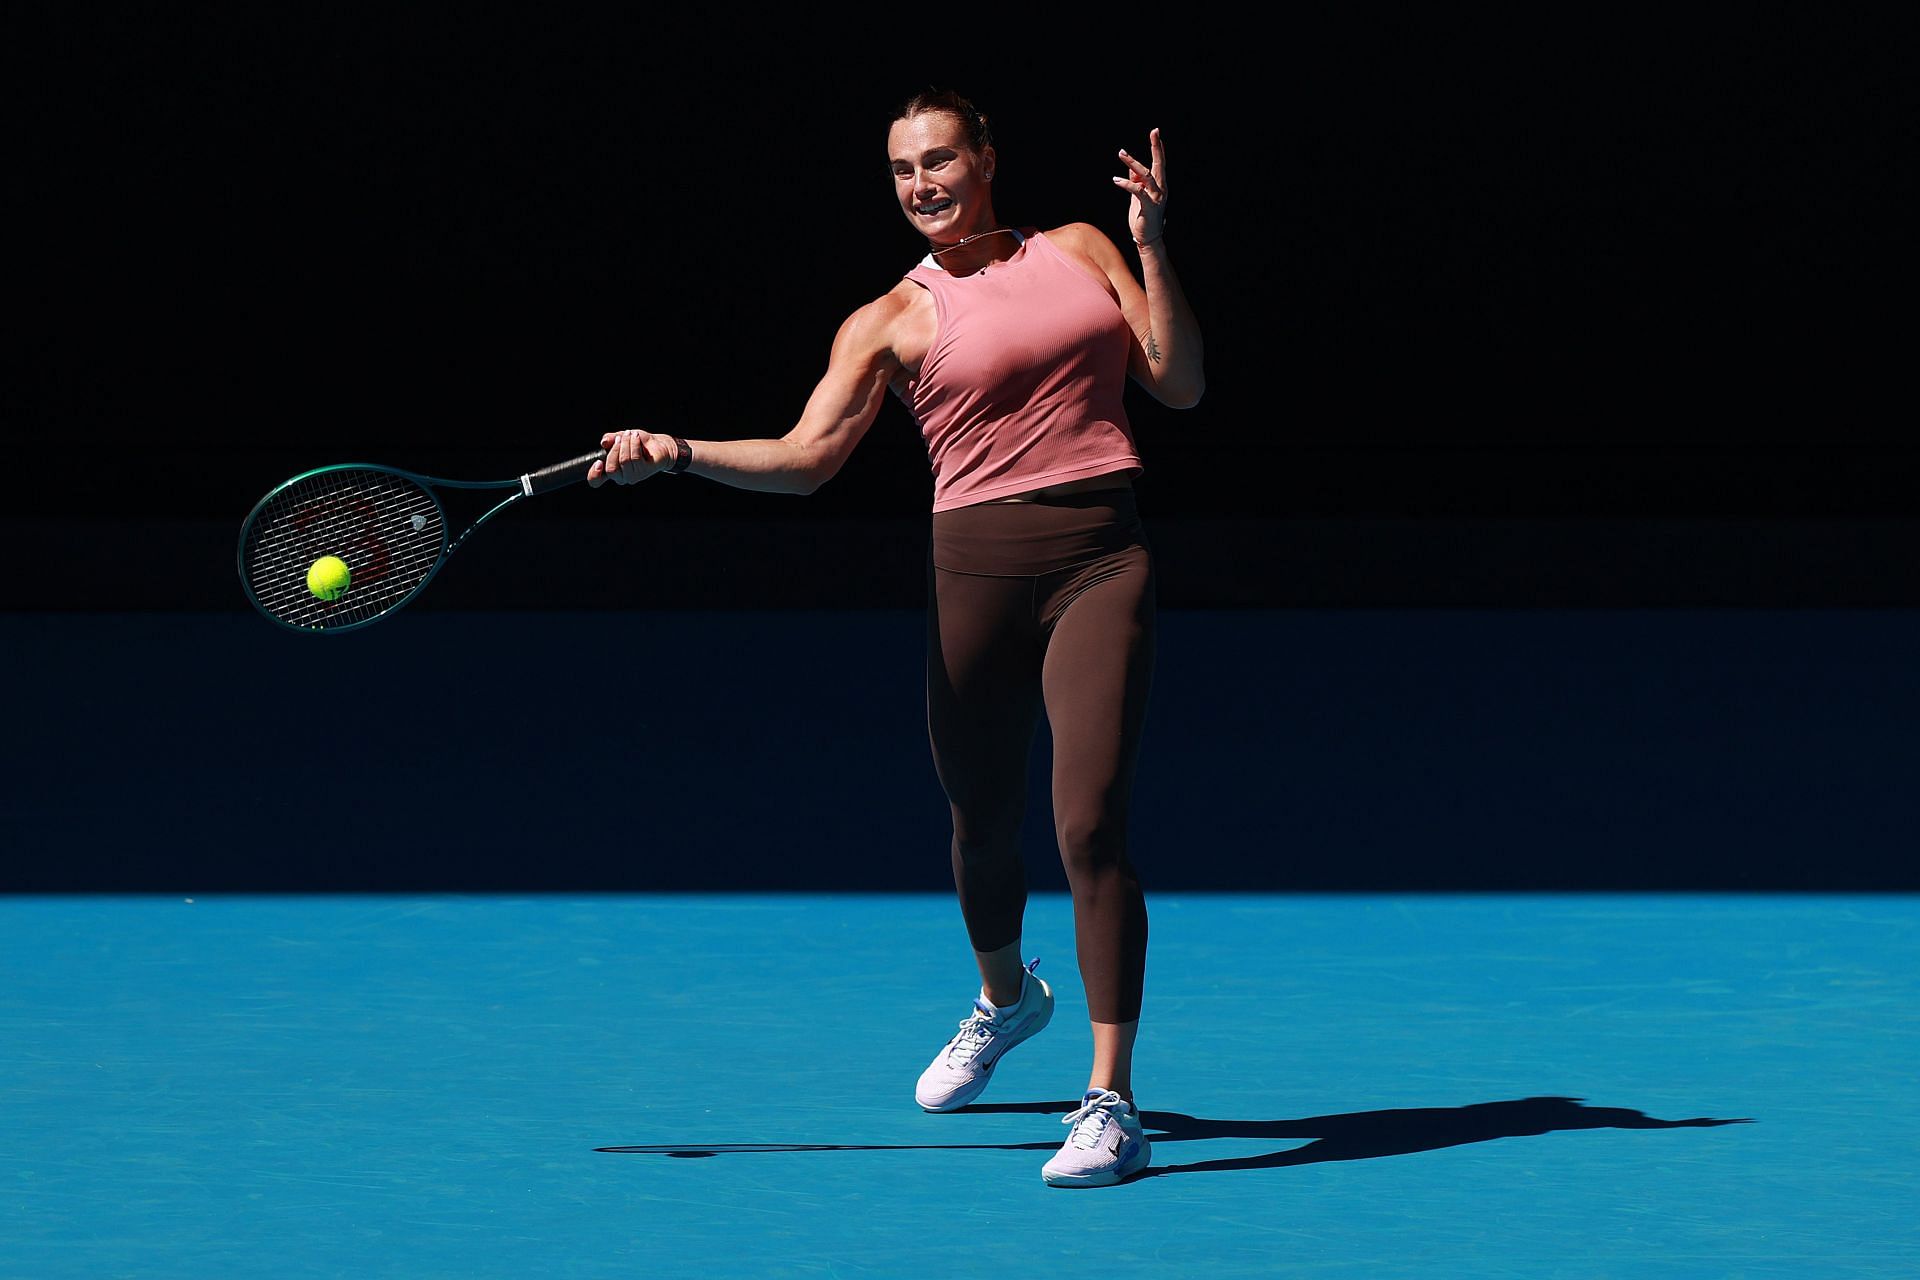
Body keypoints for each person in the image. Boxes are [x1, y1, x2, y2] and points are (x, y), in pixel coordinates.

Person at [586, 88, 1204, 1187]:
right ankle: (1007, 999)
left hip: (1102, 559)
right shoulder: (888, 318)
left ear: (986, 160)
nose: (921, 184)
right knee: (979, 824)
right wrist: (676, 448)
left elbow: (1180, 382)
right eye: (902, 171)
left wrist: (1153, 249)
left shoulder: (1079, 248)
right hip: (972, 576)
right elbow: (807, 454)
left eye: (940, 161)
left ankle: (1111, 1101)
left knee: (1089, 823)